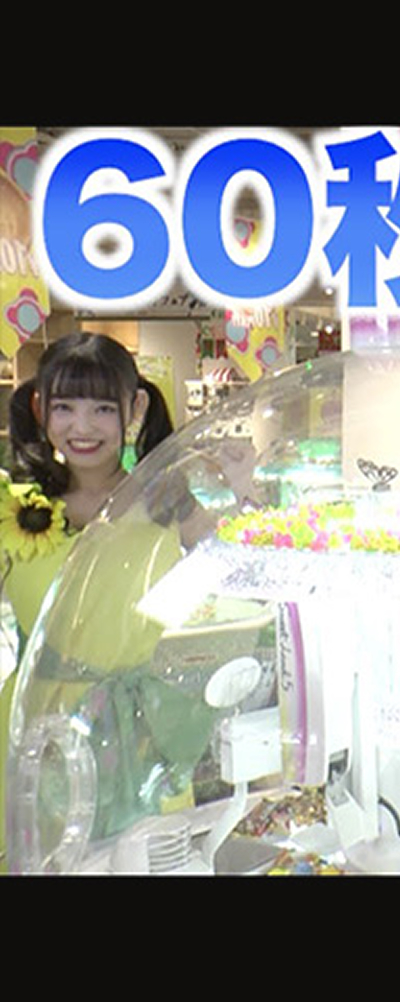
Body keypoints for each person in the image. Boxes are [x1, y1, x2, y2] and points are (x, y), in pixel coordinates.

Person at [0, 332, 177, 871]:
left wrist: (240, 490)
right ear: (40, 409)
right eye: (65, 407)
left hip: (137, 730)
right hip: (35, 723)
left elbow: (230, 576)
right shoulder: (13, 506)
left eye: (102, 407)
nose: (83, 426)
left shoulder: (168, 499)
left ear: (136, 407)